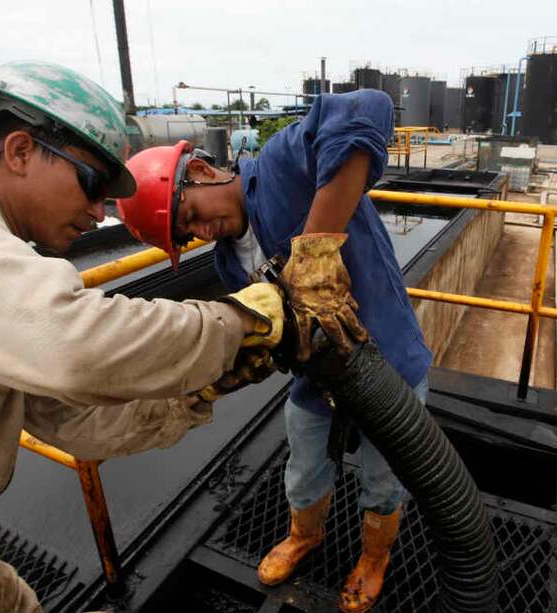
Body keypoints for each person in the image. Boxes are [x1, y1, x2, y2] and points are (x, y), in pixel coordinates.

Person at [0, 61, 284, 612]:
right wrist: (236, 323)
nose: (97, 213)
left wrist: (200, 389)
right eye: (93, 184)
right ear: (20, 151)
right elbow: (71, 344)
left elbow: (75, 420)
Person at [118, 89, 432, 613]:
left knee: (384, 479)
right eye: (187, 234)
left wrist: (316, 247)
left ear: (200, 170)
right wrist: (248, 361)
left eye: (191, 214)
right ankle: (304, 536)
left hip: (388, 362)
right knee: (304, 470)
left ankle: (374, 557)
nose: (200, 231)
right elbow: (277, 329)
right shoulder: (227, 263)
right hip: (318, 378)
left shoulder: (283, 163)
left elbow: (367, 107)